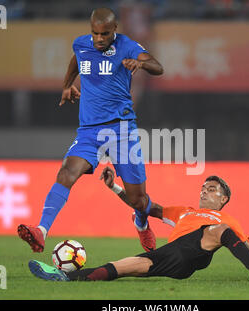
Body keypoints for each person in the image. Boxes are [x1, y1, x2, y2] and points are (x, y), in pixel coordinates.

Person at [17, 8, 164, 253]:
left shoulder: (127, 46)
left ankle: (141, 222)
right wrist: (67, 85)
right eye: (95, 33)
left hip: (122, 130)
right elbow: (76, 61)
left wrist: (140, 63)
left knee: (138, 200)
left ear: (114, 30)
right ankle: (40, 231)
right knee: (66, 172)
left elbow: (158, 67)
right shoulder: (82, 44)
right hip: (89, 131)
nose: (98, 39)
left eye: (104, 34)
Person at [28, 167, 249, 284]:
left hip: (198, 251)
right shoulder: (185, 212)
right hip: (172, 257)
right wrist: (114, 187)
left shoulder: (225, 221)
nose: (204, 192)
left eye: (211, 190)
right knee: (120, 268)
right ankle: (64, 277)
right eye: (203, 188)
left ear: (223, 199)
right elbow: (145, 206)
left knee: (219, 231)